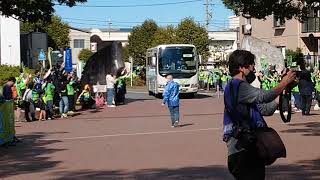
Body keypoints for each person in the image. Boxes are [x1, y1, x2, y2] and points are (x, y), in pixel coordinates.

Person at [223, 50, 296, 180]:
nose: (254, 69)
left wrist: (284, 90)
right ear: (242, 68)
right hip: (243, 150)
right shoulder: (238, 85)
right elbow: (264, 96)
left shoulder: (240, 88)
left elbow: (265, 109)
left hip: (248, 149)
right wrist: (284, 82)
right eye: (251, 65)